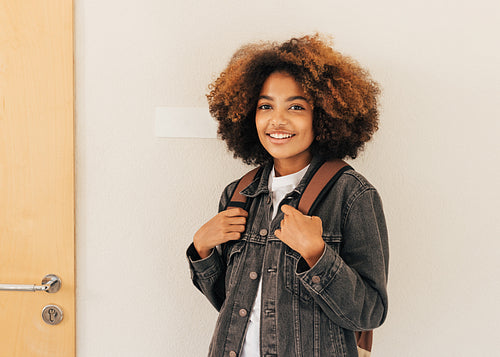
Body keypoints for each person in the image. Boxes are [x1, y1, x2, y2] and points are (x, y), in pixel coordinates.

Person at [186, 34, 389, 357]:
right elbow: (233, 304)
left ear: (322, 116)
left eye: (296, 106)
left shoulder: (351, 194)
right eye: (265, 106)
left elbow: (370, 313)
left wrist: (317, 255)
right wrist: (202, 248)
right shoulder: (239, 193)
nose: (277, 120)